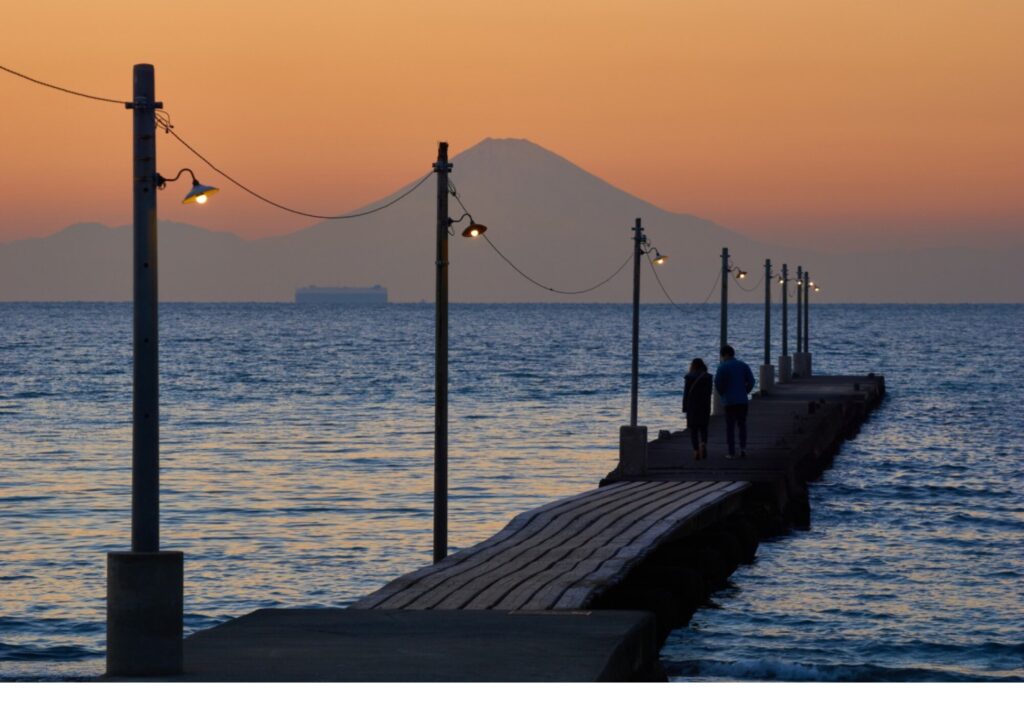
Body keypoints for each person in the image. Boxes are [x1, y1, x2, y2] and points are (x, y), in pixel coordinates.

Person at [714, 344, 755, 459]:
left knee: (730, 427)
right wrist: (745, 391)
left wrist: (723, 393)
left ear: (725, 355)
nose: (722, 358)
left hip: (729, 401)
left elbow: (717, 383)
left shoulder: (722, 367)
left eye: (722, 356)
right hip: (742, 400)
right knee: (742, 425)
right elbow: (751, 381)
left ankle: (731, 452)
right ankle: (743, 449)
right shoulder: (743, 365)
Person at [682, 358, 712, 461]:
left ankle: (696, 450)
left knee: (693, 430)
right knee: (704, 427)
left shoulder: (689, 377)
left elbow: (686, 394)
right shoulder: (708, 377)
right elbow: (709, 393)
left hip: (692, 406)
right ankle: (703, 443)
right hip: (704, 406)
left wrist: (685, 407)